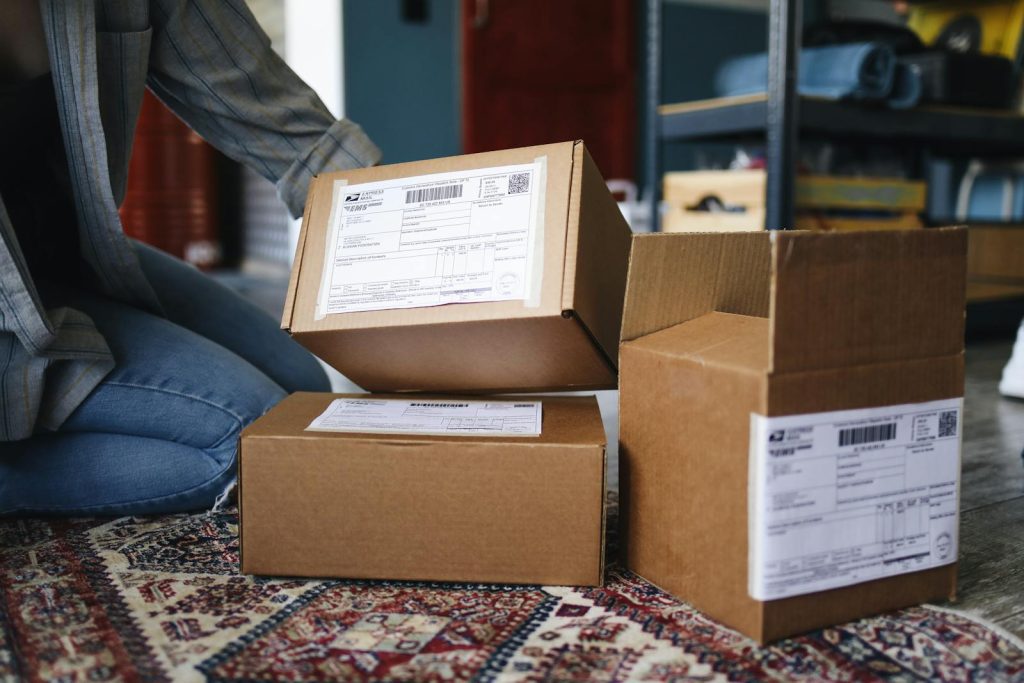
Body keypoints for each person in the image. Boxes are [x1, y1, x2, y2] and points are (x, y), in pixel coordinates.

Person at [0, 0, 380, 515]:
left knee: (303, 394)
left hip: (65, 257)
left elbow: (272, 112)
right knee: (253, 449)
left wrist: (393, 226)